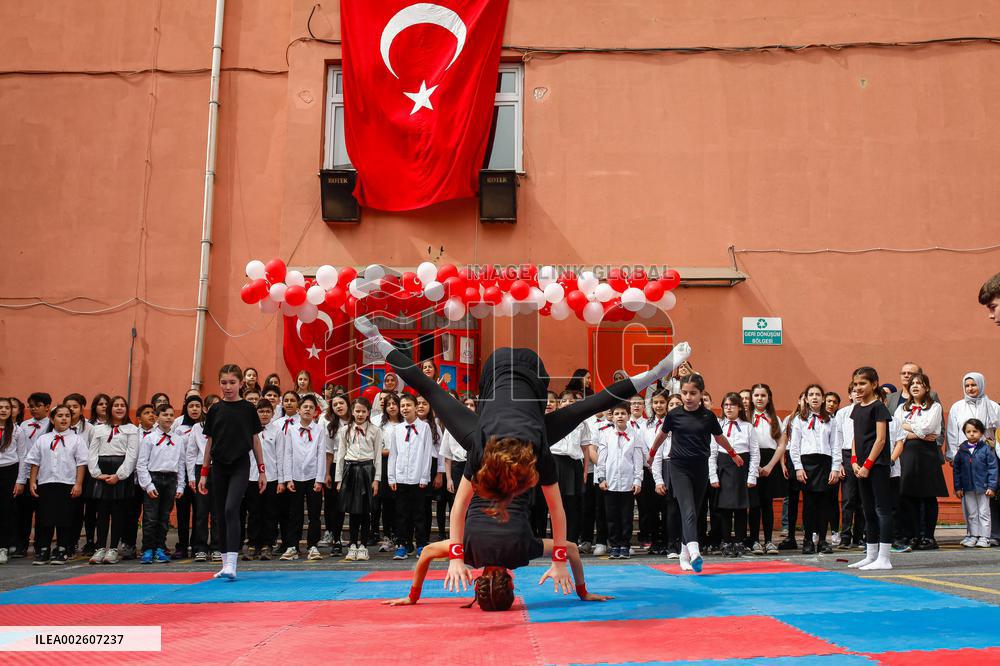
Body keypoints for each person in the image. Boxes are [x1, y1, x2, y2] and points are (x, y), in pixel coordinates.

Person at [356, 315, 692, 582]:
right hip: (496, 374)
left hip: (532, 376)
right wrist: (457, 556)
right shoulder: (482, 450)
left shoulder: (534, 451)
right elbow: (461, 509)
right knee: (430, 389)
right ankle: (376, 338)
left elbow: (555, 512)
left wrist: (559, 561)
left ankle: (658, 371)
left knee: (588, 406)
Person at [647, 374, 744, 573]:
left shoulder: (708, 416)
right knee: (688, 509)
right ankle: (694, 551)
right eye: (684, 393)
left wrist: (733, 454)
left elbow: (719, 438)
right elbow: (661, 436)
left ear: (701, 394)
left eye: (693, 393)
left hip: (700, 467)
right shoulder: (674, 415)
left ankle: (684, 555)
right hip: (679, 467)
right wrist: (651, 453)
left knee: (695, 511)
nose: (688, 397)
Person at [384, 538, 611, 610]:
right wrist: (413, 596)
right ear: (477, 582)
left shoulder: (520, 551)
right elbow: (427, 553)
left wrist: (582, 592)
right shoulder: (469, 552)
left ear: (511, 583)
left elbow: (570, 549)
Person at [197, 364, 267, 580]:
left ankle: (233, 564)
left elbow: (255, 440)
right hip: (218, 466)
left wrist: (262, 470)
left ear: (240, 383)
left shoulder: (248, 409)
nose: (228, 387)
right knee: (219, 514)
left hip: (240, 464)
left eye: (232, 383)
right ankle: (225, 564)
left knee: (231, 509)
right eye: (224, 383)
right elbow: (210, 443)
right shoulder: (215, 410)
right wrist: (204, 473)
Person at [19, 405, 87, 565]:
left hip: (67, 483)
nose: (64, 419)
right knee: (45, 518)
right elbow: (35, 462)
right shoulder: (43, 439)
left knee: (65, 518)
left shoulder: (77, 440)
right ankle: (43, 549)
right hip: (46, 483)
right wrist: (32, 482)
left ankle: (62, 549)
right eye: (60, 416)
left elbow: (81, 464)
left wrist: (78, 484)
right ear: (52, 418)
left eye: (67, 416)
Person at [891, 373, 947, 550]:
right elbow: (896, 428)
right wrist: (917, 433)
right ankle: (913, 535)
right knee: (908, 495)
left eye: (919, 383)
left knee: (928, 495)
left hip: (926, 454)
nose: (915, 386)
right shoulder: (902, 408)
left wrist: (907, 427)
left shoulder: (934, 407)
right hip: (907, 453)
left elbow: (928, 427)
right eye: (912, 383)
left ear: (927, 388)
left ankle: (927, 536)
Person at [848, 367, 894, 570]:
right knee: (867, 510)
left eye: (863, 383)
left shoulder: (878, 407)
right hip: (861, 466)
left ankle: (884, 558)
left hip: (877, 465)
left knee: (882, 509)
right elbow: (855, 437)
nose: (858, 387)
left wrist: (868, 464)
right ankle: (871, 554)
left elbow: (881, 439)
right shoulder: (857, 408)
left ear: (874, 384)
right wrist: (854, 461)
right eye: (856, 384)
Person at [87, 396, 140, 565]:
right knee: (102, 512)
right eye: (116, 405)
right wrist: (96, 473)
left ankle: (113, 549)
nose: (119, 408)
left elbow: (132, 455)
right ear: (110, 408)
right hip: (102, 472)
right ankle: (100, 547)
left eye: (122, 405)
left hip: (120, 472)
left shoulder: (131, 429)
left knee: (118, 513)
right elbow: (92, 452)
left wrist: (119, 475)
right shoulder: (98, 429)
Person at [789, 385, 838, 555]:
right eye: (811, 394)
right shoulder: (799, 420)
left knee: (824, 504)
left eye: (818, 394)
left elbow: (835, 445)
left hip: (824, 463)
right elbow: (794, 447)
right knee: (809, 504)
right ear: (806, 398)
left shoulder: (831, 420)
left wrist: (835, 468)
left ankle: (823, 540)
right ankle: (808, 540)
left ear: (823, 398)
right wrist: (798, 468)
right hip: (807, 464)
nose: (815, 397)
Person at [711, 393, 759, 557]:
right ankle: (726, 542)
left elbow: (755, 453)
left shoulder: (748, 427)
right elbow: (712, 452)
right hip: (723, 468)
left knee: (740, 509)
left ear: (739, 407)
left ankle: (739, 541)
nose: (729, 408)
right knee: (724, 509)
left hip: (741, 469)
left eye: (732, 405)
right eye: (726, 405)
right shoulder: (718, 426)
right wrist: (713, 475)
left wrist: (752, 475)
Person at [386, 394, 435, 559]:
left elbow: (427, 453)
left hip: (417, 477)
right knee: (401, 514)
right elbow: (393, 454)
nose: (405, 408)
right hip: (401, 477)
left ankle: (421, 544)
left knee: (419, 514)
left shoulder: (424, 427)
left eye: (408, 405)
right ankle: (402, 545)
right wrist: (391, 477)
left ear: (415, 407)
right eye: (403, 406)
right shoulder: (398, 429)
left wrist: (424, 477)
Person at [278, 394, 325, 562]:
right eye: (305, 407)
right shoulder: (291, 430)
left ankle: (313, 546)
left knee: (314, 514)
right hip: (296, 476)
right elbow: (288, 454)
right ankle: (293, 546)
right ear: (298, 410)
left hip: (313, 476)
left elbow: (321, 454)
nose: (308, 410)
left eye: (311, 407)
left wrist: (319, 479)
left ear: (315, 412)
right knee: (294, 513)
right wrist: (288, 478)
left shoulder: (319, 430)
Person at [137, 404, 185, 564]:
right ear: (157, 417)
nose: (169, 417)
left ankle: (160, 547)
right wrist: (148, 485)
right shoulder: (149, 438)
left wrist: (180, 485)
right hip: (154, 478)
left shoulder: (178, 439)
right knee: (151, 517)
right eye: (165, 414)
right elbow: (141, 464)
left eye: (171, 415)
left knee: (165, 516)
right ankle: (147, 549)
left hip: (171, 479)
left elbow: (181, 463)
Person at [336, 398, 381, 561]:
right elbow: (340, 455)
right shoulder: (345, 430)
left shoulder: (375, 430)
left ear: (368, 412)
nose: (360, 414)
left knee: (365, 511)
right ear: (352, 412)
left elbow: (378, 456)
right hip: (351, 470)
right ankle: (353, 544)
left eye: (363, 411)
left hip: (367, 470)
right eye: (357, 411)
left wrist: (376, 479)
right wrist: (339, 479)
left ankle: (363, 545)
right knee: (353, 511)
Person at [596, 404, 643, 559]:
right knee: (611, 516)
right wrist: (601, 478)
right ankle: (614, 545)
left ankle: (625, 545)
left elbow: (637, 459)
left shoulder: (635, 435)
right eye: (617, 413)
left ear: (628, 416)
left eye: (623, 413)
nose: (620, 416)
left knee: (626, 517)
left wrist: (637, 480)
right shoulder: (606, 434)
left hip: (628, 483)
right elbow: (602, 459)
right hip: (610, 482)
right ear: (612, 417)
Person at [549, 391, 590, 551]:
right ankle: (557, 543)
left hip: (574, 465)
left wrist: (585, 471)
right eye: (564, 400)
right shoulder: (552, 420)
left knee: (573, 506)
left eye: (571, 401)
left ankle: (571, 542)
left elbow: (585, 449)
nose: (567, 403)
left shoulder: (582, 423)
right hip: (555, 463)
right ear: (560, 404)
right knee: (555, 506)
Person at [748, 384, 785, 554]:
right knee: (754, 504)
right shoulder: (746, 418)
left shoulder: (775, 419)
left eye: (763, 395)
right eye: (756, 395)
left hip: (770, 461)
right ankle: (754, 540)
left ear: (769, 398)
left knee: (767, 504)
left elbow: (781, 445)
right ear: (751, 398)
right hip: (752, 462)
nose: (759, 398)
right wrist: (754, 466)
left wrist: (770, 466)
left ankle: (769, 541)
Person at [246, 398, 282, 561]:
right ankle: (253, 544)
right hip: (252, 477)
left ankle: (268, 544)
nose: (264, 414)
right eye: (261, 411)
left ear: (273, 413)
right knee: (254, 512)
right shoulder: (248, 430)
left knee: (270, 513)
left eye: (268, 411)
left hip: (271, 477)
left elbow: (280, 456)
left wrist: (281, 480)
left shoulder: (277, 431)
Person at [953, 419, 997, 547]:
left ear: (982, 433)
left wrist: (992, 486)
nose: (972, 434)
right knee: (971, 513)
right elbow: (957, 470)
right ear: (965, 433)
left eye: (975, 431)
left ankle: (985, 537)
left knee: (984, 513)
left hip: (983, 487)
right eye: (968, 431)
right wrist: (958, 487)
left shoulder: (986, 449)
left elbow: (993, 468)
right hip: (967, 488)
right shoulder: (962, 450)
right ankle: (973, 535)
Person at [173, 396, 203, 559]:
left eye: (197, 406)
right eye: (191, 406)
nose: (194, 409)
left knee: (200, 511)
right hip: (182, 473)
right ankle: (182, 546)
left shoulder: (205, 426)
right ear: (186, 408)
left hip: (200, 473)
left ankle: (198, 545)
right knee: (182, 512)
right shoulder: (179, 427)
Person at [835, 386, 865, 550]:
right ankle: (845, 536)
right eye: (854, 391)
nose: (858, 394)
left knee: (863, 499)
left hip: (865, 454)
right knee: (848, 498)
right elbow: (837, 439)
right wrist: (839, 463)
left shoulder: (869, 411)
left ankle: (859, 536)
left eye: (860, 391)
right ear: (849, 395)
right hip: (846, 454)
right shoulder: (842, 413)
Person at [0, 397, 29, 564]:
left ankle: (3, 547)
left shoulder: (17, 430)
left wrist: (20, 480)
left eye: (7, 407)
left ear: (12, 411)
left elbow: (22, 456)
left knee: (5, 510)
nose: (3, 410)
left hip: (9, 472)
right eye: (0, 407)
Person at [376, 392, 403, 552]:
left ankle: (400, 537)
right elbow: (376, 448)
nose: (392, 407)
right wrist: (390, 452)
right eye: (388, 404)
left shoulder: (405, 424)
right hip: (385, 464)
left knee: (400, 503)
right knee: (387, 503)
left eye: (394, 404)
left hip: (402, 464)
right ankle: (388, 536)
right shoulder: (381, 426)